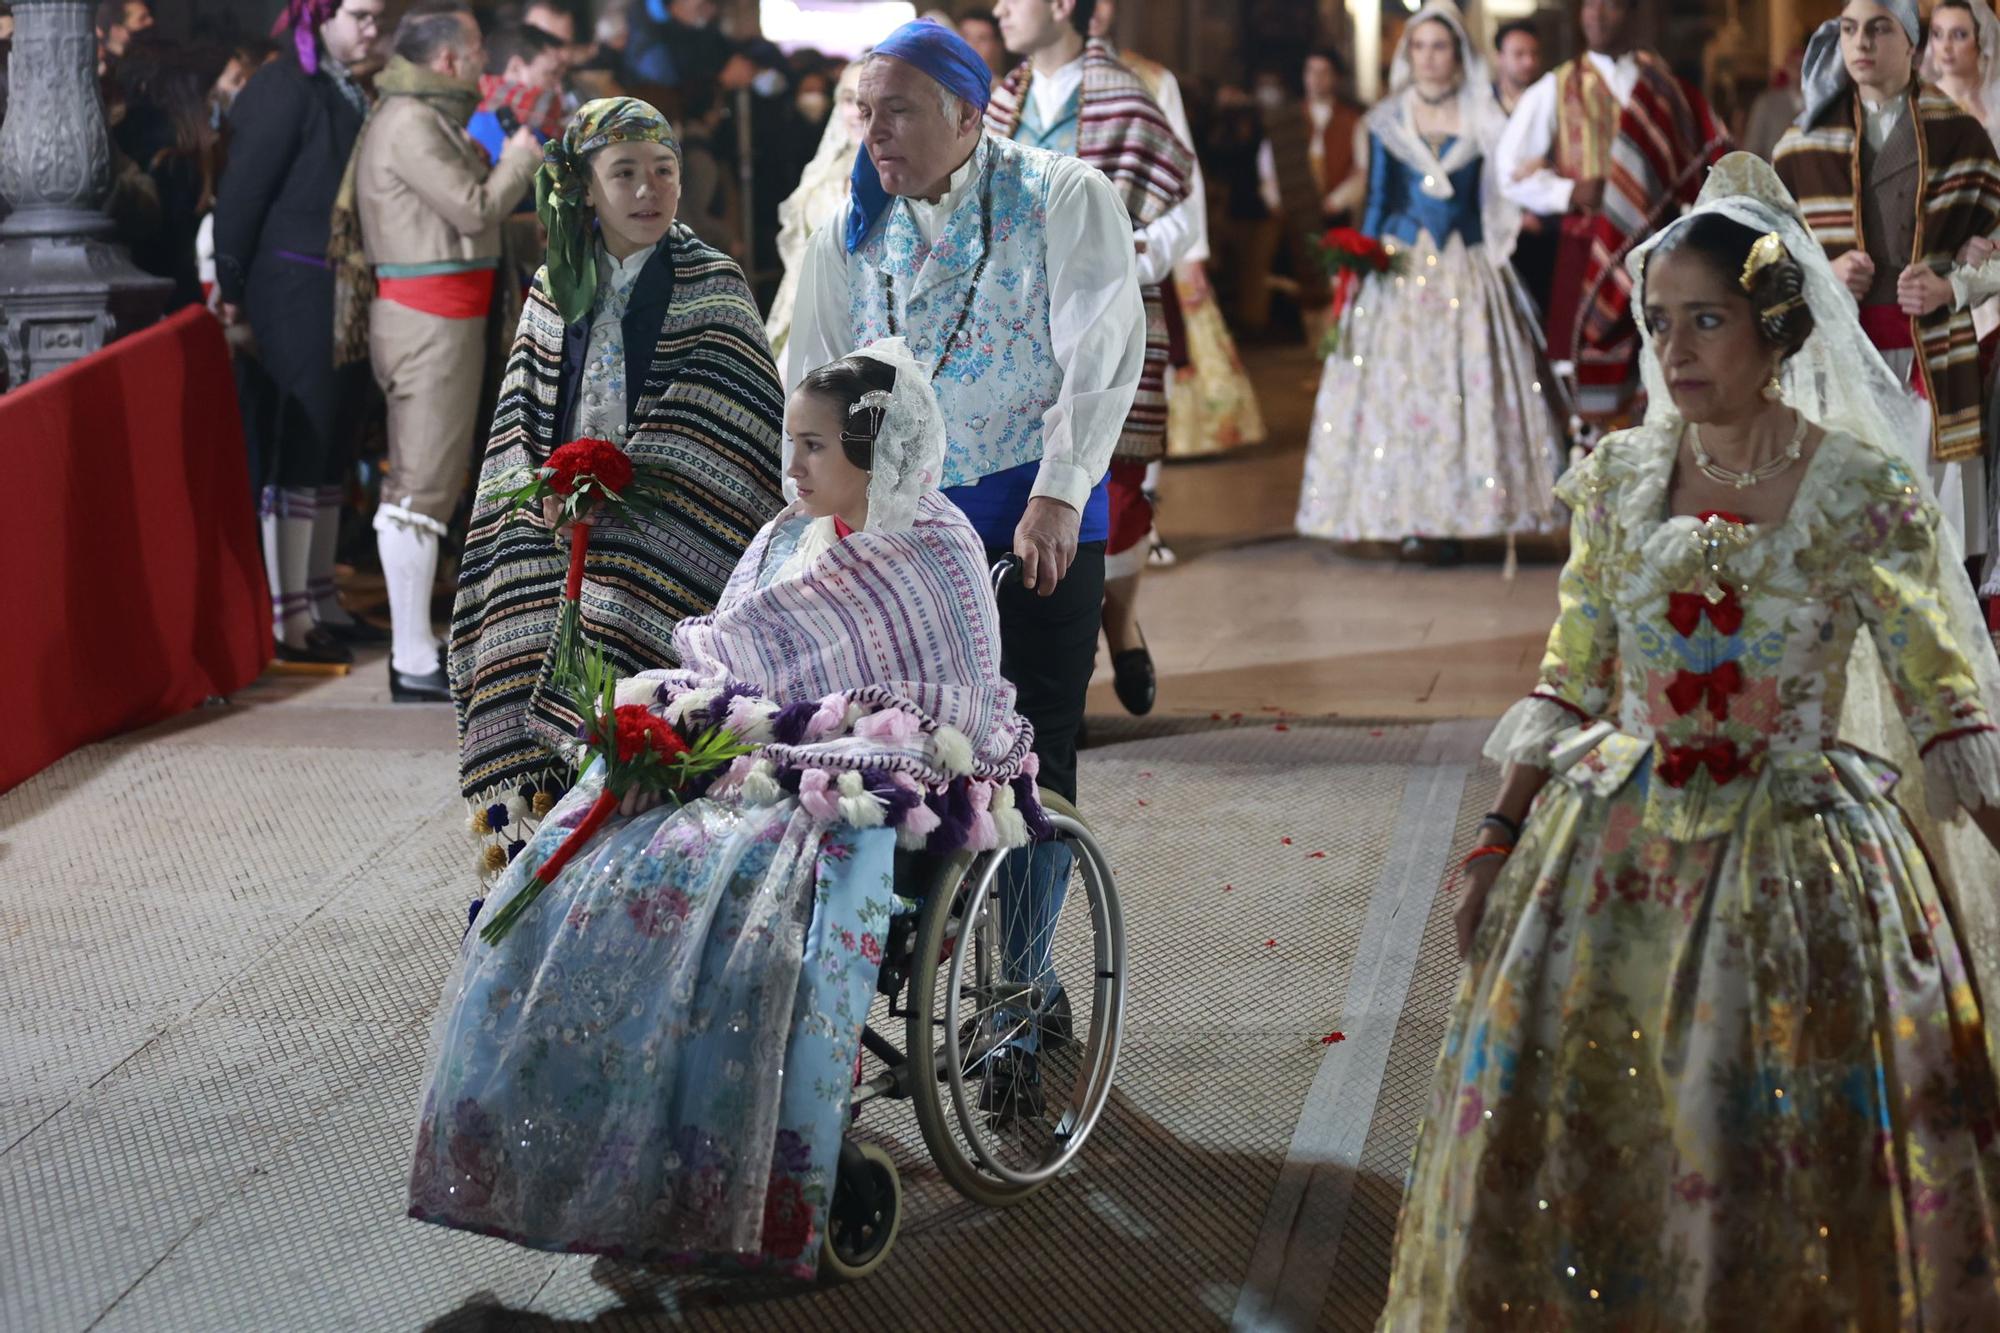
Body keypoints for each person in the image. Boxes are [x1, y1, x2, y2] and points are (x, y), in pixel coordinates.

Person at [1381, 151, 2000, 1328]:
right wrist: (1495, 835)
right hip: (1617, 855)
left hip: (1803, 867)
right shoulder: (1619, 479)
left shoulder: (1859, 488)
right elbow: (1569, 674)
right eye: (1657, 323)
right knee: (1606, 1127)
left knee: (1769, 1131)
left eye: (1703, 321)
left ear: (1773, 327)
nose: (1670, 351)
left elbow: (1946, 715)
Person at [410, 340, 1044, 1274]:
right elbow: (729, 647)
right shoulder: (785, 534)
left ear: (874, 450)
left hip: (858, 773)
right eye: (791, 443)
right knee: (593, 854)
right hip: (757, 747)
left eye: (814, 447)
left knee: (740, 890)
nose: (792, 467)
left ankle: (740, 1149)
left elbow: (946, 698)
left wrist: (820, 739)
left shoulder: (936, 548)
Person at [787, 21, 1142, 1110]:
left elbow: (1101, 344)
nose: (874, 131)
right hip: (909, 528)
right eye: (863, 109)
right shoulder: (852, 219)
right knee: (893, 743)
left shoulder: (1060, 194)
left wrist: (1058, 491)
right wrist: (818, 512)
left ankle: (1023, 992)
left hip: (1038, 505)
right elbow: (819, 370)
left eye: (895, 109)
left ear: (963, 112)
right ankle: (883, 971)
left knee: (1027, 751)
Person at [451, 97, 785, 844]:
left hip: (668, 530)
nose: (649, 190)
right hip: (557, 525)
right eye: (625, 173)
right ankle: (543, 836)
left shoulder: (714, 282)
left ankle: (651, 839)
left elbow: (732, 426)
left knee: (643, 672)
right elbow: (524, 412)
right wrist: (546, 486)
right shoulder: (554, 282)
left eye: (663, 171)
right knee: (532, 627)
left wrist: (630, 486)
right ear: (584, 188)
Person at [988, 0, 1195, 718]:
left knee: (1116, 482)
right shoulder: (997, 102)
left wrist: (1122, 257)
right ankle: (1080, 650)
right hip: (1015, 328)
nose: (998, 10)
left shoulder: (1129, 94)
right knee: (1025, 476)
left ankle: (1111, 623)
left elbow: (1180, 215)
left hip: (1104, 307)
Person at [1295, 3, 1561, 557]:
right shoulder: (1386, 119)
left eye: (1440, 46)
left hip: (1466, 268)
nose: (1429, 57)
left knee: (1464, 386)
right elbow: (1377, 200)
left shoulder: (1487, 119)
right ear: (1407, 54)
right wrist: (1359, 271)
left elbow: (1500, 196)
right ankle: (1408, 515)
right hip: (1400, 269)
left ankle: (1463, 512)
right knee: (1399, 387)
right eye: (1419, 46)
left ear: (1458, 54)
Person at [337, 3, 541, 703]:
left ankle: (417, 649)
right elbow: (474, 208)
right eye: (478, 48)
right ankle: (412, 656)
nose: (483, 62)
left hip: (441, 319)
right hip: (429, 322)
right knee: (419, 491)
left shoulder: (419, 118)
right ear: (449, 59)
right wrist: (518, 163)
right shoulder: (411, 123)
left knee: (425, 485)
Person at [1775, 0, 2000, 559]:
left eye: (1879, 29)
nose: (1861, 44)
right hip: (1842, 362)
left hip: (1936, 363)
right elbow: (1760, 258)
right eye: (1849, 30)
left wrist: (1953, 287)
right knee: (1847, 526)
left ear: (1911, 43)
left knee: (1935, 533)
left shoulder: (1960, 136)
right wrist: (1821, 274)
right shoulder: (1801, 145)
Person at [211, 0, 385, 667]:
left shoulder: (338, 85)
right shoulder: (283, 85)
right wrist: (233, 288)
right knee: (302, 438)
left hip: (336, 285)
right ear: (320, 14)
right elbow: (243, 193)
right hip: (293, 282)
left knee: (331, 442)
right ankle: (287, 617)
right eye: (361, 15)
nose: (372, 28)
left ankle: (320, 597)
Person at [1495, 0, 1729, 432]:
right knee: (1583, 367)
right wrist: (1569, 191)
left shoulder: (1660, 85)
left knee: (1659, 360)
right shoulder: (1557, 86)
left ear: (1634, 15)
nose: (1598, 15)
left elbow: (1700, 158)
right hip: (1587, 251)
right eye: (1589, 6)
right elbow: (1508, 172)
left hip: (1658, 251)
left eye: (1611, 6)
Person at [1089, 0, 1264, 468]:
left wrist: (1193, 252)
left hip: (1141, 243)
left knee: (1149, 369)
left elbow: (1183, 170)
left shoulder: (1149, 78)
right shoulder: (1023, 87)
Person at [766, 62, 862, 371]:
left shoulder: (906, 179)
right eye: (849, 99)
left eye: (868, 100)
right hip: (812, 319)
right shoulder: (824, 173)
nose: (858, 111)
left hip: (865, 326)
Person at [1492, 19, 1559, 320]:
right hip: (1493, 233)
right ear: (1499, 57)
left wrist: (1547, 164)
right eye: (1518, 54)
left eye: (1534, 54)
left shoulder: (1555, 104)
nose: (1528, 62)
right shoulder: (1482, 107)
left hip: (1542, 230)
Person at [468, 22, 568, 161]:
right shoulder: (490, 125)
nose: (559, 88)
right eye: (550, 74)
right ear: (516, 68)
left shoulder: (477, 114)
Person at [1740, 44, 1806, 161]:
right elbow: (1752, 149)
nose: (1799, 71)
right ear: (1787, 68)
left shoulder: (1818, 105)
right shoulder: (1766, 103)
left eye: (1803, 65)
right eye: (1795, 65)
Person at [958, 8, 1008, 86]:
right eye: (965, 37)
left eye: (982, 38)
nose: (971, 45)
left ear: (997, 45)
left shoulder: (1007, 91)